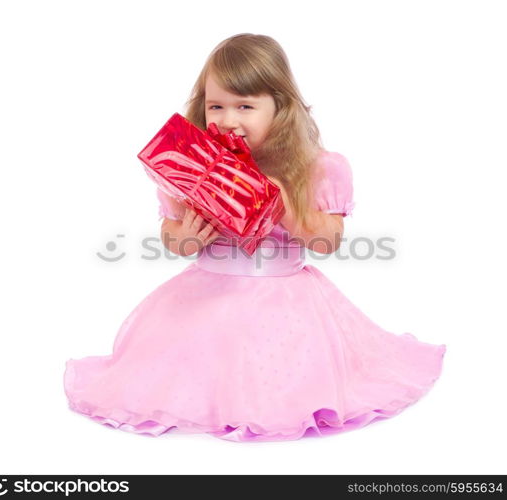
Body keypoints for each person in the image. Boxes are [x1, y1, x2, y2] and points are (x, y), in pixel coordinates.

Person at [63, 33, 446, 443]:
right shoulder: (193, 168)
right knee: (182, 369)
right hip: (204, 298)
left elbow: (329, 241)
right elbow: (171, 237)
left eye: (245, 106)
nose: (229, 120)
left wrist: (285, 206)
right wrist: (186, 237)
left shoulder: (317, 168)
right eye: (216, 106)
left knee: (285, 375)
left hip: (285, 301)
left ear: (280, 107)